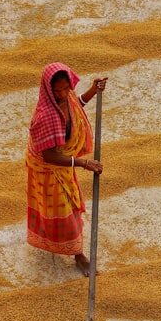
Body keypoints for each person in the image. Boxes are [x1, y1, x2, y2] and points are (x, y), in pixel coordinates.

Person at [25, 62, 108, 276]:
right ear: (47, 90)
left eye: (65, 89)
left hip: (62, 164)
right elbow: (49, 155)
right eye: (57, 91)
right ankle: (79, 256)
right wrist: (83, 163)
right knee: (66, 211)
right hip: (48, 169)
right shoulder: (45, 116)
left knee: (68, 206)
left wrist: (92, 90)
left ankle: (71, 248)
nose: (62, 94)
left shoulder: (67, 98)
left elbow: (76, 106)